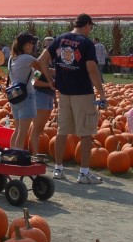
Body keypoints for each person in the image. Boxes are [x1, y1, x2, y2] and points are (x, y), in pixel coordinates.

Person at [38, 13, 106, 184]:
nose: (90, 31)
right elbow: (91, 69)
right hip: (82, 92)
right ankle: (83, 173)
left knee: (62, 131)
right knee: (86, 133)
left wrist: (50, 79)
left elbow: (42, 60)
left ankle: (58, 169)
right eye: (90, 27)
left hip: (64, 92)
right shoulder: (86, 43)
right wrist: (101, 92)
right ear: (87, 25)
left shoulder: (60, 39)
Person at [8, 33, 49, 151]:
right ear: (24, 44)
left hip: (14, 95)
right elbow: (42, 69)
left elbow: (35, 73)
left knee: (17, 129)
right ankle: (18, 155)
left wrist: (33, 78)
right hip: (27, 96)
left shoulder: (12, 58)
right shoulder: (28, 59)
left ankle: (11, 154)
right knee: (23, 131)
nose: (32, 45)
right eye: (31, 43)